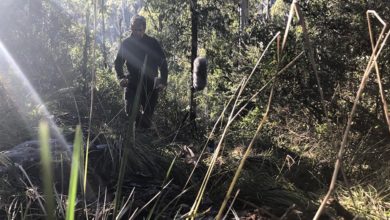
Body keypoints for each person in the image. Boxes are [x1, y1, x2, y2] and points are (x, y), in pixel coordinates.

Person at [114, 15, 168, 129]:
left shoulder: (152, 43)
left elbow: (163, 63)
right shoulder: (127, 44)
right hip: (132, 82)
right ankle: (135, 134)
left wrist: (163, 81)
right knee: (130, 110)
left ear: (144, 28)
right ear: (131, 28)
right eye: (134, 29)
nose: (137, 32)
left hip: (150, 84)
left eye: (139, 30)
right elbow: (118, 62)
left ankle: (143, 139)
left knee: (147, 118)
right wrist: (121, 77)